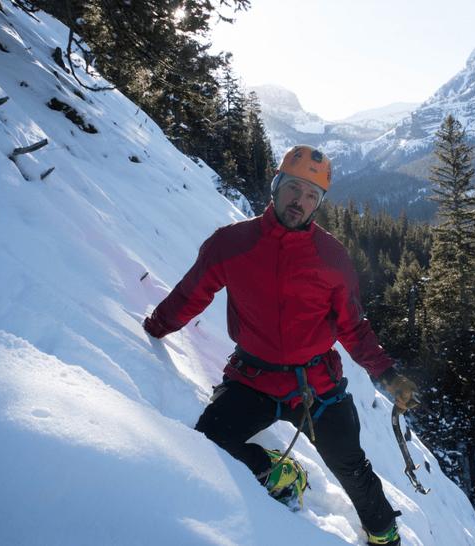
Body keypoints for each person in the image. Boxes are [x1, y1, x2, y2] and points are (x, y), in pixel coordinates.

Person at [143, 145, 418, 546]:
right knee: (208, 442)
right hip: (253, 377)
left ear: (319, 203)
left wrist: (388, 375)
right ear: (276, 186)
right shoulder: (232, 243)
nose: (300, 202)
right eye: (293, 188)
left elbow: (353, 327)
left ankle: (384, 536)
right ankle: (278, 472)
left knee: (351, 467)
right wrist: (155, 327)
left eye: (312, 195)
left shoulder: (332, 257)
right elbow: (192, 292)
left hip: (316, 385)